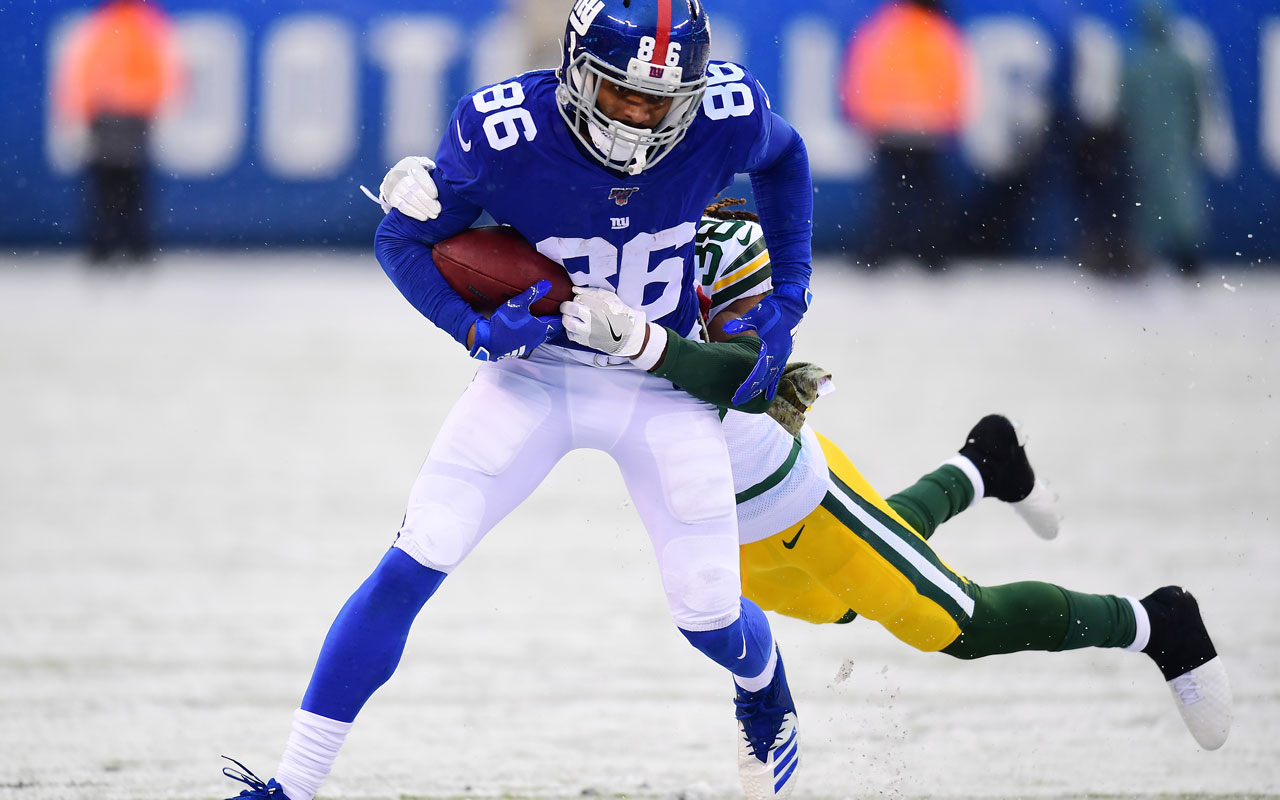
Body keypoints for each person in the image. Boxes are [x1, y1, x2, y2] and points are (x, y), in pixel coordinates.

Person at [378, 170, 1234, 754]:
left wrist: (645, 344)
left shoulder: (723, 232)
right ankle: (985, 464)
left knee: (951, 623)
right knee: (841, 609)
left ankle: (1158, 622)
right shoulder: (571, 202)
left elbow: (752, 379)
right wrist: (421, 194)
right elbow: (475, 236)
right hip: (715, 529)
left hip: (792, 493)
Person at [220, 3, 814, 800]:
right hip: (537, 372)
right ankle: (290, 784)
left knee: (709, 614)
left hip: (663, 383)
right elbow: (399, 241)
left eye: (661, 100)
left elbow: (787, 157)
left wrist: (792, 291)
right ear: (574, 70)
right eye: (622, 95)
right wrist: (473, 330)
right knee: (415, 557)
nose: (641, 118)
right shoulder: (502, 129)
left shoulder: (725, 112)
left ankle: (764, 684)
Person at [840, 0, 969, 270]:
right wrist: (952, 118)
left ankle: (878, 253)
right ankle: (933, 255)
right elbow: (954, 78)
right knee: (930, 199)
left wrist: (865, 115)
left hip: (891, 127)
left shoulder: (883, 27)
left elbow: (863, 74)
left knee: (888, 198)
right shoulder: (939, 30)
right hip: (929, 129)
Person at [53, 0, 183, 264]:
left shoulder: (110, 24)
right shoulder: (138, 24)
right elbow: (162, 74)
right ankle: (127, 247)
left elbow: (84, 73)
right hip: (123, 117)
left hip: (118, 117)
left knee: (113, 187)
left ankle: (115, 247)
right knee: (122, 187)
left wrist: (89, 106)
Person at [1119, 0, 1210, 280]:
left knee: (1150, 198)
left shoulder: (1135, 63)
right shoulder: (1181, 64)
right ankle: (1184, 256)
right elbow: (1196, 107)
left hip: (1148, 142)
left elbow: (1124, 108)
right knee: (1176, 197)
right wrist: (1192, 138)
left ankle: (1156, 256)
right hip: (1172, 142)